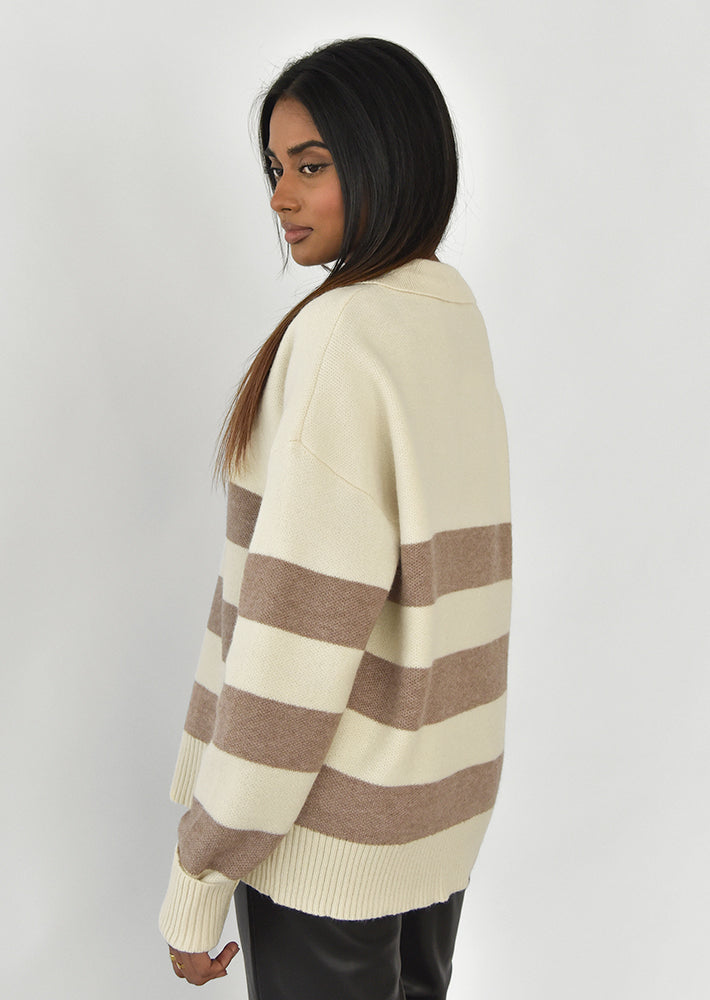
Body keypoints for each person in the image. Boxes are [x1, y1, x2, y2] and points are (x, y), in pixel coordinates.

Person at [159, 37, 512, 998]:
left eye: (312, 166)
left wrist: (202, 870)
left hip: (328, 839)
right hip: (433, 821)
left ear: (389, 158)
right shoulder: (448, 313)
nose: (281, 197)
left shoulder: (341, 334)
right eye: (276, 169)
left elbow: (294, 639)